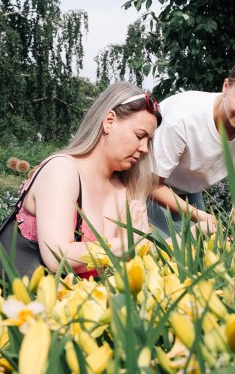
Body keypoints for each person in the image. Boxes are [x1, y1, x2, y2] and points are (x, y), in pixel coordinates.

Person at [16, 82, 160, 275]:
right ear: (109, 121)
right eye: (139, 135)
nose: (144, 148)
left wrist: (191, 233)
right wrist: (126, 243)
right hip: (28, 292)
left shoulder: (129, 189)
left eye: (149, 141)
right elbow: (57, 258)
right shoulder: (62, 169)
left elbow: (147, 257)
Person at [147, 53, 235, 236]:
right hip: (144, 184)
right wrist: (200, 216)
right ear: (226, 86)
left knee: (200, 249)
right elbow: (151, 184)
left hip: (188, 190)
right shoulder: (182, 118)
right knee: (159, 248)